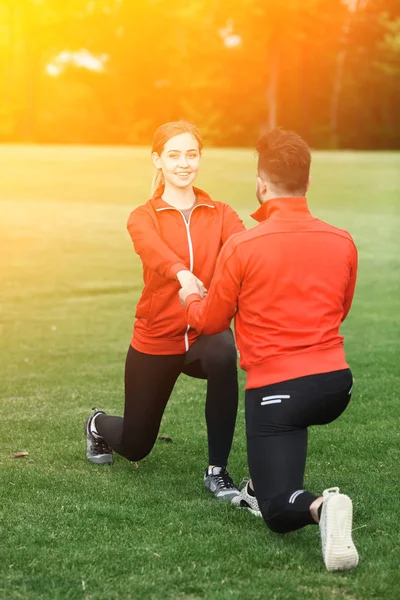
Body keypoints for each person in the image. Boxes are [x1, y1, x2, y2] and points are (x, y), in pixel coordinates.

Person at [179, 128, 359, 570]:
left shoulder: (243, 245)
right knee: (280, 449)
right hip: (336, 386)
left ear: (262, 183)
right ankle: (264, 481)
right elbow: (340, 310)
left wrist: (189, 297)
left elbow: (212, 321)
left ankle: (321, 507)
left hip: (280, 392)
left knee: (278, 510)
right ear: (307, 182)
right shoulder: (342, 240)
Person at [84, 120, 245, 501]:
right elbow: (154, 253)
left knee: (224, 351)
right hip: (157, 336)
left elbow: (244, 248)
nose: (183, 163)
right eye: (174, 155)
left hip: (203, 331)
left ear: (200, 158)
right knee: (136, 445)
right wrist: (183, 274)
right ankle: (96, 423)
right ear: (158, 159)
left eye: (191, 154)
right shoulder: (143, 216)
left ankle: (218, 471)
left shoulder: (221, 212)